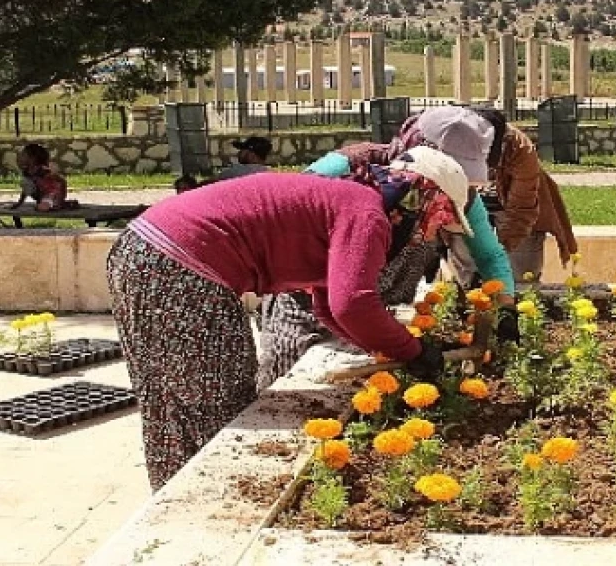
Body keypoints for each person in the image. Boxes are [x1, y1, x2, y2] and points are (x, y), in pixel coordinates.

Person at [107, 145, 474, 490]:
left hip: (142, 251)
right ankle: (208, 500)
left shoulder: (349, 200)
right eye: (443, 216)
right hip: (180, 267)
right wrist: (413, 350)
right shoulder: (366, 213)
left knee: (166, 396)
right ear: (426, 196)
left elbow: (328, 305)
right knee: (217, 398)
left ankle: (173, 495)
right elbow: (353, 304)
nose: (436, 230)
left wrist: (384, 351)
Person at [255, 106, 521, 391]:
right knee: (285, 391)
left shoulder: (456, 193)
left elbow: (489, 255)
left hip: (373, 314)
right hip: (303, 304)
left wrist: (506, 308)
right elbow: (289, 218)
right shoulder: (351, 164)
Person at [460, 108, 579, 282]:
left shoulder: (521, 148)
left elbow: (521, 209)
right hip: (471, 203)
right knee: (468, 271)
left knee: (522, 273)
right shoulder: (456, 139)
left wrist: (502, 249)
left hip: (517, 206)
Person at [11, 143, 69, 211]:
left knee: (44, 205)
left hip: (52, 194)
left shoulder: (42, 170)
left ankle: (54, 204)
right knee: (25, 182)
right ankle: (46, 204)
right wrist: (19, 203)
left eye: (23, 155)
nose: (20, 157)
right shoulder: (27, 172)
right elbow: (26, 190)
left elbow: (60, 181)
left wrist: (55, 177)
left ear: (32, 158)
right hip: (42, 195)